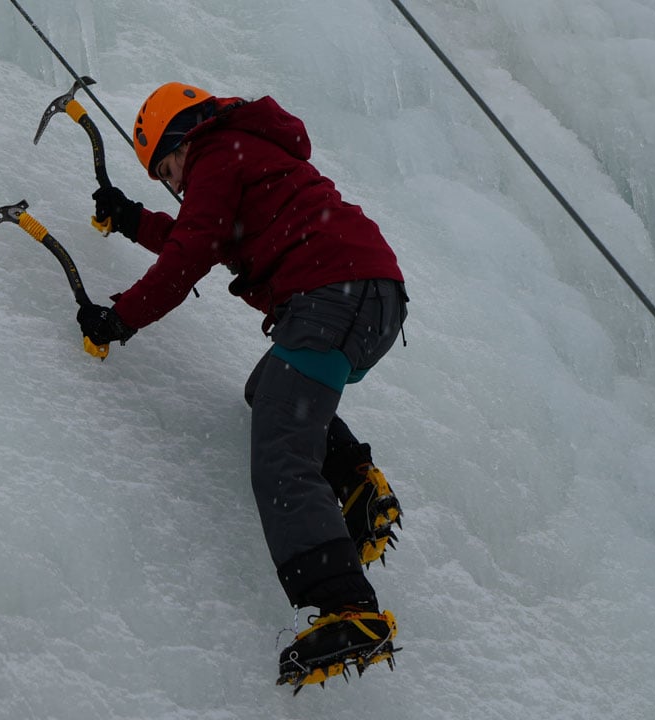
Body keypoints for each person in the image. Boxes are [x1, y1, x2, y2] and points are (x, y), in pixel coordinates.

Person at [76, 82, 409, 689]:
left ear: (182, 137)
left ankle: (349, 609)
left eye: (168, 169)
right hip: (372, 297)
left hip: (331, 291)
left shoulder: (217, 150)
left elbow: (190, 254)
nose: (174, 185)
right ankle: (359, 486)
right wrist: (130, 220)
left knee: (282, 446)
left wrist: (119, 317)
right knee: (272, 393)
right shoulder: (239, 153)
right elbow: (205, 235)